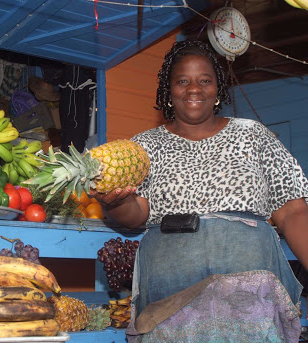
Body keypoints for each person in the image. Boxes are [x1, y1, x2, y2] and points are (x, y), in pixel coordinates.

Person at [93, 40, 308, 342]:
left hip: (249, 288)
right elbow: (136, 214)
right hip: (170, 287)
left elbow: (292, 210)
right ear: (169, 91)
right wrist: (114, 202)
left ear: (218, 88)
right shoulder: (144, 146)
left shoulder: (253, 135)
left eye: (205, 80)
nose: (194, 89)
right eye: (183, 81)